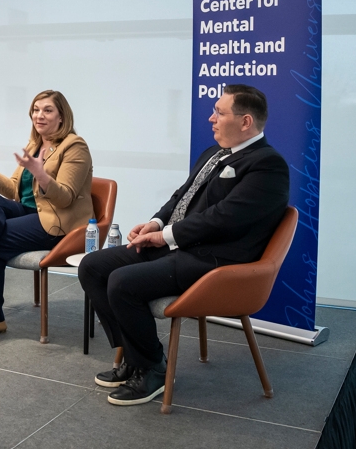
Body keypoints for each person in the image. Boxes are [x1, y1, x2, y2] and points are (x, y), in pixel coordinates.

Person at [78, 84, 290, 406]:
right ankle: (138, 358)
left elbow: (224, 218)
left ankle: (153, 370)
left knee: (122, 283)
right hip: (181, 244)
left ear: (246, 122)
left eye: (219, 112)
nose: (211, 118)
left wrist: (164, 237)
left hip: (216, 260)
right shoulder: (213, 154)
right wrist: (157, 223)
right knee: (93, 267)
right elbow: (181, 196)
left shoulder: (268, 166)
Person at [0, 90, 93, 335]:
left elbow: (65, 197)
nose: (39, 115)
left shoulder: (75, 146)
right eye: (35, 110)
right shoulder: (34, 145)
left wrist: (42, 175)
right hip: (28, 213)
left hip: (56, 223)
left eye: (47, 110)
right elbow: (13, 190)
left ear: (62, 116)